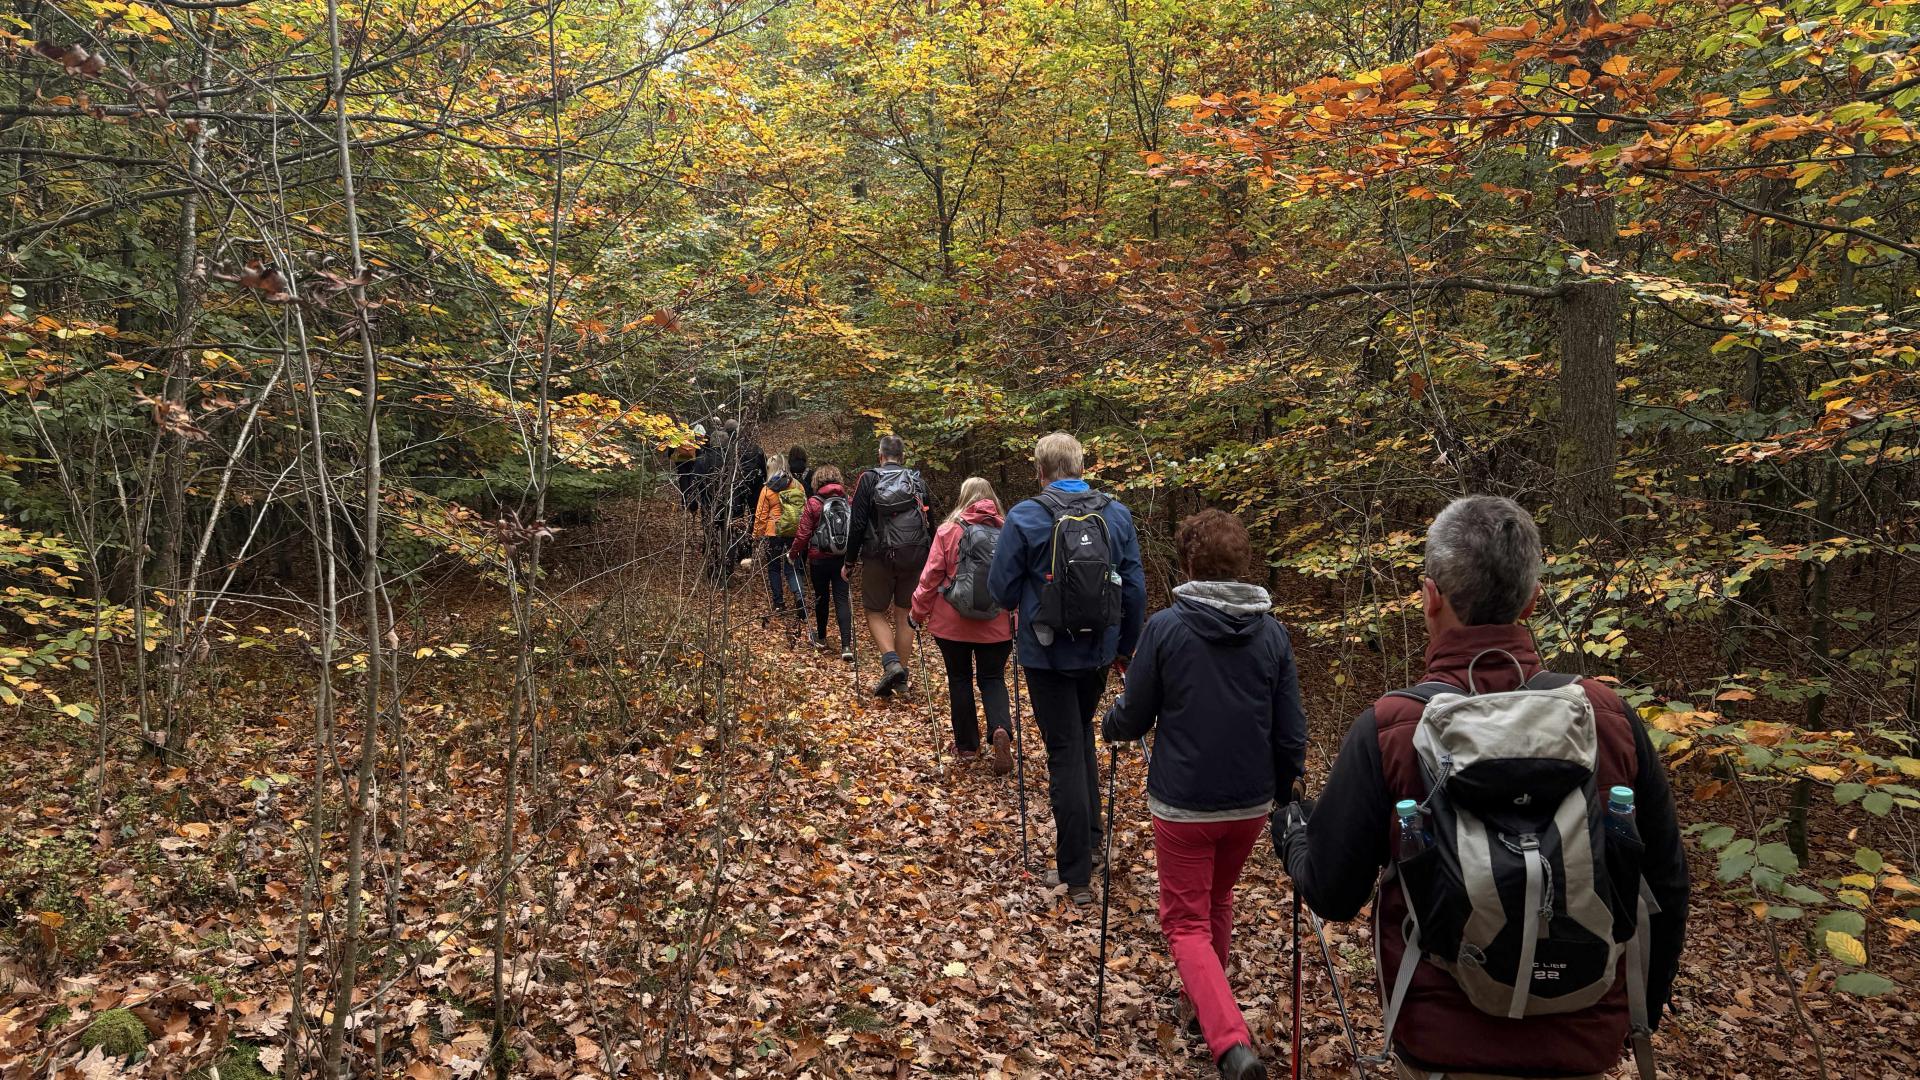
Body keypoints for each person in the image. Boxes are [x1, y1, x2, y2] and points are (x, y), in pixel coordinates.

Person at [1274, 496, 1689, 1080]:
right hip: (1581, 1041)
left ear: (1430, 595)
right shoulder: (1608, 718)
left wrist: (1293, 838)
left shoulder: (1392, 729)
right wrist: (1640, 1012)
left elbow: (1334, 893)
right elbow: (1665, 883)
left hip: (1442, 1046)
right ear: (1533, 601)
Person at [1101, 509, 1303, 1080]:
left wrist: (1112, 725)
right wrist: (1288, 788)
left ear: (1189, 564)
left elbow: (1135, 714)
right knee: (1216, 900)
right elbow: (1290, 730)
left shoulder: (1166, 628)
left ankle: (1230, 1043)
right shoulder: (1272, 635)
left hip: (1185, 802)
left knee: (1185, 921)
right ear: (1242, 566)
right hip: (1250, 803)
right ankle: (1204, 1004)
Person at [988, 431, 1146, 905]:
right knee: (1078, 735)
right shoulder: (1115, 515)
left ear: (1041, 470)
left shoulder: (1026, 516)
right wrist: (1127, 647)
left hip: (1046, 654)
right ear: (1081, 466)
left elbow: (1000, 591)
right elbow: (1134, 588)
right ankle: (1093, 843)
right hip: (1099, 652)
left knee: (1064, 749)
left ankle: (1075, 873)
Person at [910, 476, 1015, 773]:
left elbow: (930, 578)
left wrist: (916, 614)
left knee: (959, 679)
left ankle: (967, 747)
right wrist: (1017, 617)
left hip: (951, 624)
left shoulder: (948, 531)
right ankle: (1000, 729)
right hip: (996, 625)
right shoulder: (1009, 531)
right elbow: (1018, 579)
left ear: (962, 497)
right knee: (992, 678)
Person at [842, 435, 934, 697]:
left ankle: (891, 663)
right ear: (902, 457)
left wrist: (849, 561)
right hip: (914, 556)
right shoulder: (917, 480)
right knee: (906, 613)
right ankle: (901, 680)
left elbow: (857, 524)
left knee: (873, 611)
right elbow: (930, 521)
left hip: (877, 556)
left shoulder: (869, 479)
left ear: (880, 455)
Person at [791, 464, 856, 661]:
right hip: (842, 558)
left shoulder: (813, 502)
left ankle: (821, 638)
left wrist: (793, 554)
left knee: (821, 597)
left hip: (818, 558)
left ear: (817, 481)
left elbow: (803, 533)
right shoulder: (848, 501)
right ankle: (846, 646)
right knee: (842, 599)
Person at [753, 454, 808, 627]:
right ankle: (799, 598)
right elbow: (805, 508)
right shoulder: (798, 485)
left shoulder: (767, 489)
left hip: (773, 532)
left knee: (774, 568)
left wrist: (756, 535)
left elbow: (761, 515)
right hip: (793, 531)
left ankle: (779, 603)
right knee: (793, 568)